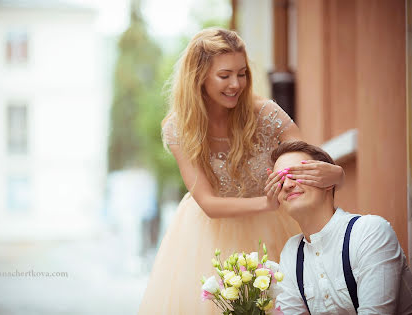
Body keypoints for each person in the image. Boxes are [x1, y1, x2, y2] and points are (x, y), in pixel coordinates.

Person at [138, 28, 344, 314]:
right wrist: (267, 202)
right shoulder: (179, 127)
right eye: (225, 75)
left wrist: (335, 174)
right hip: (208, 235)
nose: (236, 84)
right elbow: (209, 203)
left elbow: (310, 160)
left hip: (276, 228)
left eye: (242, 73)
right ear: (199, 77)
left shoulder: (267, 114)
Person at [271, 141, 412, 314]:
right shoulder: (291, 252)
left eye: (297, 174)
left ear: (328, 181)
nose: (287, 185)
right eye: (280, 180)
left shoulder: (370, 231)